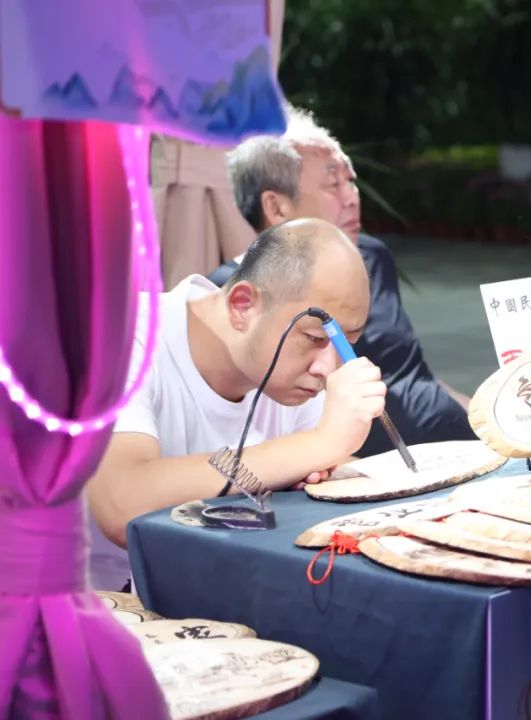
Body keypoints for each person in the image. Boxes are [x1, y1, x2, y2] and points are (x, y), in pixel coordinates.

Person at [87, 218, 387, 590]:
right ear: (242, 306)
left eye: (345, 344)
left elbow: (325, 466)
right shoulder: (119, 336)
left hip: (227, 585)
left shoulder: (291, 372)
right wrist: (322, 444)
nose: (327, 369)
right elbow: (122, 506)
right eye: (314, 338)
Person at [214, 106, 474, 457]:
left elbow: (412, 374)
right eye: (333, 184)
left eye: (351, 181)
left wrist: (486, 415)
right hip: (370, 467)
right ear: (276, 207)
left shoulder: (371, 257)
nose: (352, 197)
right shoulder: (236, 297)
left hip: (459, 445)